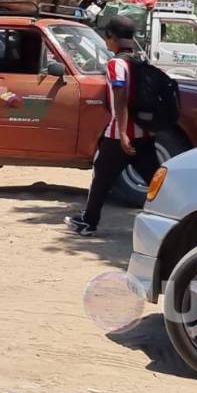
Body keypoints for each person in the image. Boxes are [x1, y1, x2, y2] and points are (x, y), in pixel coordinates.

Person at [66, 16, 162, 237]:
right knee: (156, 181)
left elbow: (120, 96)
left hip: (119, 136)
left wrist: (121, 131)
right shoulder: (141, 60)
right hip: (144, 133)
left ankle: (88, 222)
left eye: (106, 37)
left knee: (100, 176)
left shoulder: (116, 64)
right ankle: (180, 217)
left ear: (112, 37)